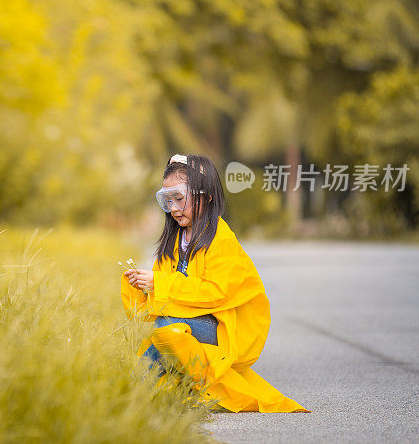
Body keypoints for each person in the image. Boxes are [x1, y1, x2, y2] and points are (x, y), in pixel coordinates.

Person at [122, 153, 308, 413]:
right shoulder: (174, 240)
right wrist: (144, 286)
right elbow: (164, 293)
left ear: (206, 196)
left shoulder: (220, 239)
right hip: (193, 318)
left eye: (179, 198)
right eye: (167, 200)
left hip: (219, 326)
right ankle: (145, 389)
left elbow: (216, 292)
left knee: (168, 327)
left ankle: (160, 387)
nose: (173, 208)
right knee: (161, 330)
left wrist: (160, 283)